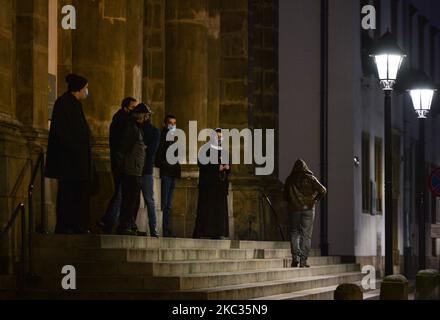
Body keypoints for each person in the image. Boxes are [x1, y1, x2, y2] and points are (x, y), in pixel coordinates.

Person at [45, 74, 93, 234]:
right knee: (69, 195)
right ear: (79, 89)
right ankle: (68, 226)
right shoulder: (65, 103)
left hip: (76, 161)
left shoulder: (73, 103)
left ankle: (76, 226)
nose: (87, 91)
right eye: (86, 88)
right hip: (70, 161)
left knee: (76, 195)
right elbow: (65, 133)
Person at [98, 97, 138, 234]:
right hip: (122, 163)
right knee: (121, 192)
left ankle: (113, 221)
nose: (135, 111)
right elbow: (122, 145)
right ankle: (109, 220)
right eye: (133, 107)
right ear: (126, 107)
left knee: (121, 193)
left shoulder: (121, 120)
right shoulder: (124, 121)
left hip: (120, 161)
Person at [284, 159, 327, 268]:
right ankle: (303, 261)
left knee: (294, 234)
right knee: (306, 235)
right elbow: (323, 190)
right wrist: (315, 200)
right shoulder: (310, 177)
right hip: (308, 209)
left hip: (294, 210)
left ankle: (295, 259)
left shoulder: (289, 180)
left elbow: (284, 196)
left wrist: (292, 202)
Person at [115, 104, 148, 236]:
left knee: (134, 200)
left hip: (136, 170)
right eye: (146, 115)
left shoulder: (138, 129)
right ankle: (124, 225)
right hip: (130, 170)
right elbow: (123, 149)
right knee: (129, 200)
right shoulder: (132, 129)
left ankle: (131, 224)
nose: (147, 118)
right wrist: (122, 167)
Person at [193, 129, 231, 240]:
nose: (219, 139)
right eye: (217, 137)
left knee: (219, 210)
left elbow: (228, 165)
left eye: (221, 137)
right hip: (208, 186)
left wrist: (227, 167)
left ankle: (218, 232)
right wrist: (216, 167)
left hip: (220, 186)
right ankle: (204, 232)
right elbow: (201, 164)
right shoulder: (205, 149)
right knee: (206, 209)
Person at [155, 115, 182, 238]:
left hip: (172, 174)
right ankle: (163, 230)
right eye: (170, 123)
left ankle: (166, 229)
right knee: (165, 204)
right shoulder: (162, 137)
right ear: (165, 123)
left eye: (174, 123)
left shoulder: (173, 138)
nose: (172, 125)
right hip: (166, 174)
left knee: (168, 205)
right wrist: (168, 167)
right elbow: (159, 157)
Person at [138, 104, 160, 238]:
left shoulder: (153, 131)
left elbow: (151, 151)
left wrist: (142, 148)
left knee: (149, 201)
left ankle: (153, 229)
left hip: (145, 169)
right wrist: (142, 148)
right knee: (131, 200)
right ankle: (131, 226)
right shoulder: (136, 128)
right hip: (135, 169)